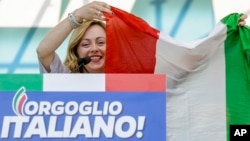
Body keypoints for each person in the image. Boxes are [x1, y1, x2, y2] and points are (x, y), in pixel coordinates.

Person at [36, 1, 248, 73]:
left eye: (101, 42)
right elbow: (43, 51)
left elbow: (189, 64)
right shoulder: (65, 80)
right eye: (85, 44)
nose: (94, 49)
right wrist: (77, 16)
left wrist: (224, 35)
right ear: (75, 51)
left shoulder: (134, 80)